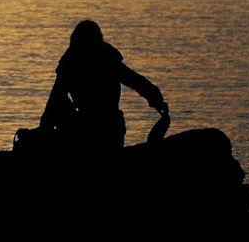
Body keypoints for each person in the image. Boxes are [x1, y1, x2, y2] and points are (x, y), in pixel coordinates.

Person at [38, 20, 168, 152]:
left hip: (100, 129)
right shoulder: (106, 59)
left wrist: (43, 129)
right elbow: (138, 82)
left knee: (58, 103)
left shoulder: (74, 62)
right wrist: (157, 101)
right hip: (107, 129)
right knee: (60, 103)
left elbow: (53, 102)